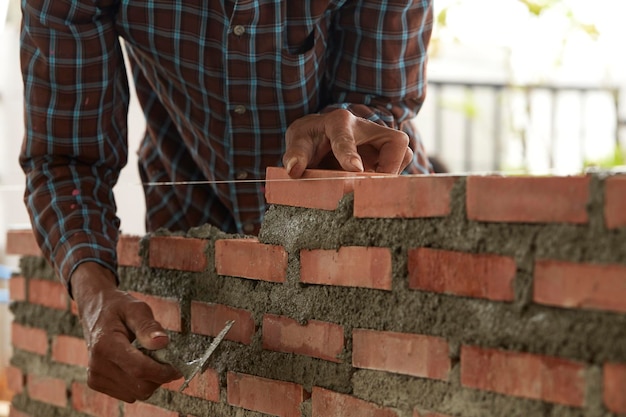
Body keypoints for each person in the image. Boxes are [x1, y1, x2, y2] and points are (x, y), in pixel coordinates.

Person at [19, 0, 433, 403]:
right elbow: (65, 157)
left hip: (361, 232)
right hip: (192, 212)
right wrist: (94, 297)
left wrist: (351, 124)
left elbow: (379, 98)